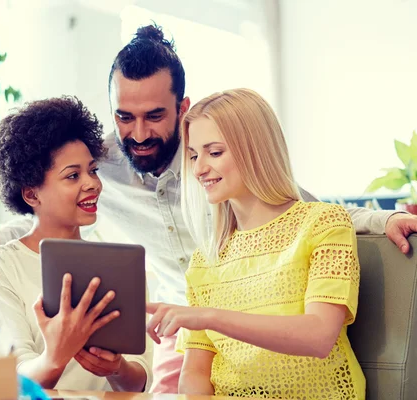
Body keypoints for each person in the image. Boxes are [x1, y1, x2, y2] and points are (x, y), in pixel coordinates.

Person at [0, 24, 417, 394]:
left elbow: (295, 205)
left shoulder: (212, 155)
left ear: (181, 108)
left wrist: (385, 218)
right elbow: (48, 202)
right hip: (173, 332)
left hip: (207, 324)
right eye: (125, 116)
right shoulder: (99, 166)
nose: (138, 133)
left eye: (154, 116)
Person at [146, 88, 365, 399]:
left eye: (215, 152)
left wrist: (209, 316)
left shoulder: (324, 224)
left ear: (255, 149)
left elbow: (318, 336)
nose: (198, 169)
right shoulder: (205, 261)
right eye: (194, 155)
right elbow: (195, 373)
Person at [0, 96, 150, 391]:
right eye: (73, 176)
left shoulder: (121, 263)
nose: (92, 183)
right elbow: (13, 384)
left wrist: (118, 369)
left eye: (92, 170)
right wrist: (55, 356)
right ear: (31, 195)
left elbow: (142, 378)